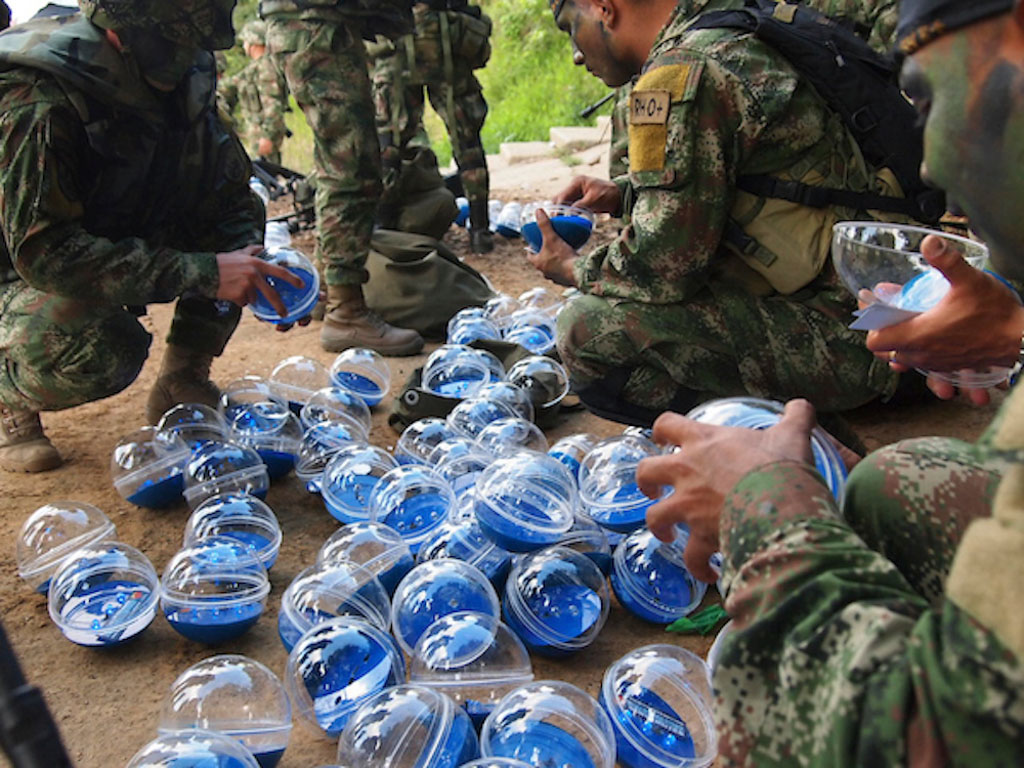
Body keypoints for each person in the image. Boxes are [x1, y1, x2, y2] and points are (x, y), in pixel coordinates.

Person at [636, 1, 1024, 763]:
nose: (932, 166)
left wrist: (765, 506)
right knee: (890, 486)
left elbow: (933, 741)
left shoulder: (688, 64)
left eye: (928, 97)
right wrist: (1014, 332)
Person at [533, 0, 923, 427]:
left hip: (864, 344)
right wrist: (622, 193)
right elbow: (743, 182)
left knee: (586, 331)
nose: (574, 53)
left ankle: (771, 429)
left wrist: (572, 268)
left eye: (570, 26)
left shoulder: (680, 71)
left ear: (603, 7)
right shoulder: (732, 31)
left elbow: (662, 269)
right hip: (893, 311)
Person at [0, 0, 306, 473]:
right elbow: (44, 252)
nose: (185, 58)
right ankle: (10, 398)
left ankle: (183, 377)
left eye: (193, 43)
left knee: (241, 215)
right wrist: (205, 272)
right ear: (120, 33)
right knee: (100, 346)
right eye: (174, 43)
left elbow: (228, 192)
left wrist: (267, 274)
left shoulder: (180, 77)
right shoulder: (40, 95)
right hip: (19, 267)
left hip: (99, 231)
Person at [260, 0, 425, 355]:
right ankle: (346, 311)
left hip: (314, 24)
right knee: (352, 165)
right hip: (314, 24)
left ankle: (328, 292)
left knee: (336, 160)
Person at [369, 0, 494, 253]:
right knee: (467, 141)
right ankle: (480, 231)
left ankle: (382, 229)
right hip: (442, 35)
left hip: (398, 36)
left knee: (390, 142)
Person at [217, 20, 289, 164]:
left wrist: (268, 136)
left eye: (245, 42)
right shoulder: (255, 68)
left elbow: (272, 105)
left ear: (253, 42)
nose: (244, 46)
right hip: (258, 135)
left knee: (268, 173)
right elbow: (233, 84)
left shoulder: (266, 69)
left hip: (263, 136)